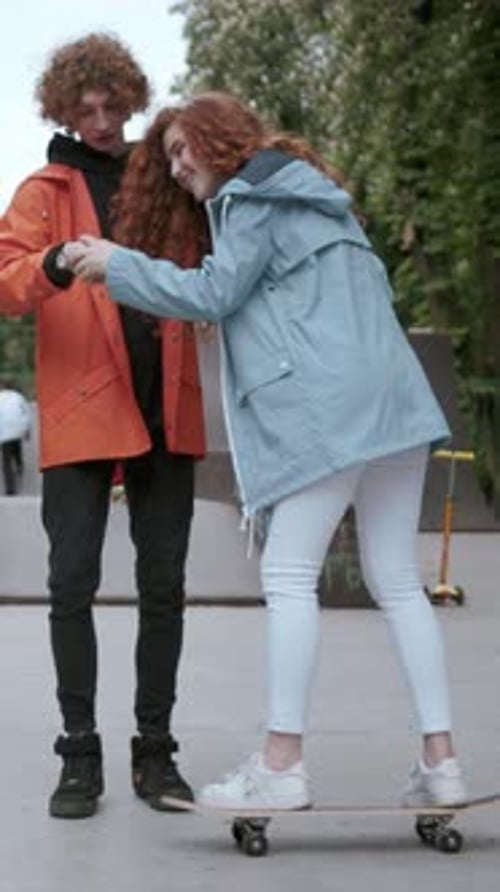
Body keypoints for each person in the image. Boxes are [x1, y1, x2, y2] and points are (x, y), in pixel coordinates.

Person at [67, 91, 468, 811]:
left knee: (287, 575)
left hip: (333, 414)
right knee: (399, 581)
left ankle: (281, 765)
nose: (179, 167)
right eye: (169, 158)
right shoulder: (325, 203)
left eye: (185, 150)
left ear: (223, 142)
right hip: (398, 407)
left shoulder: (249, 200)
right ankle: (442, 762)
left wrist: (116, 264)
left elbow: (215, 293)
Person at [0, 34, 209, 819]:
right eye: (82, 107)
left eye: (110, 105)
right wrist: (53, 261)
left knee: (165, 588)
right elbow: (5, 281)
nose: (97, 118)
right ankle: (78, 754)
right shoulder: (42, 189)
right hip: (84, 405)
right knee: (69, 585)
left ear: (128, 101)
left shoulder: (164, 182)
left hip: (168, 406)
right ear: (62, 107)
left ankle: (155, 754)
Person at [0, 378, 31, 494]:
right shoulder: (19, 397)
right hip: (19, 429)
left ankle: (10, 489)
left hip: (4, 432)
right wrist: (28, 431)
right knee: (16, 446)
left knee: (6, 461)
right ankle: (19, 466)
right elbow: (27, 413)